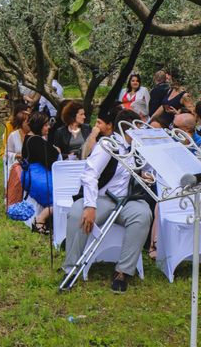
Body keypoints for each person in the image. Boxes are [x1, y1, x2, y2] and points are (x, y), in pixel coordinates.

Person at [62, 107, 151, 293]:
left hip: (127, 200)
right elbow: (90, 175)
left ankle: (123, 271)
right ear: (127, 129)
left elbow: (143, 171)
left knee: (143, 214)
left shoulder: (137, 148)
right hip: (101, 198)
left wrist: (145, 176)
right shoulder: (107, 145)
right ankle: (71, 269)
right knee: (77, 214)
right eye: (136, 127)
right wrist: (90, 206)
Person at [21, 112, 59, 233]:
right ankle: (40, 219)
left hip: (30, 174)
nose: (48, 127)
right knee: (60, 195)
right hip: (38, 177)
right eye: (46, 125)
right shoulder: (36, 140)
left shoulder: (28, 138)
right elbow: (50, 160)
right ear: (39, 126)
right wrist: (56, 150)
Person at [5, 108, 31, 207]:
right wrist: (17, 155)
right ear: (21, 123)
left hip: (31, 164)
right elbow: (7, 153)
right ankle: (15, 202)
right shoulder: (13, 135)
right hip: (16, 164)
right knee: (19, 173)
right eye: (27, 122)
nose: (29, 124)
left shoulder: (33, 135)